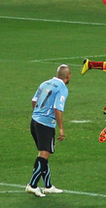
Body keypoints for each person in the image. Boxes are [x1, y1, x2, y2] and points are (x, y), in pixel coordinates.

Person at [27, 65, 71, 197]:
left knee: (43, 153)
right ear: (68, 76)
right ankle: (32, 185)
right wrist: (61, 128)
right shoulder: (62, 88)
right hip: (45, 124)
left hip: (34, 121)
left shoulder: (45, 83)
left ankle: (47, 186)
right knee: (44, 155)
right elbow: (58, 109)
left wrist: (39, 113)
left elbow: (34, 101)